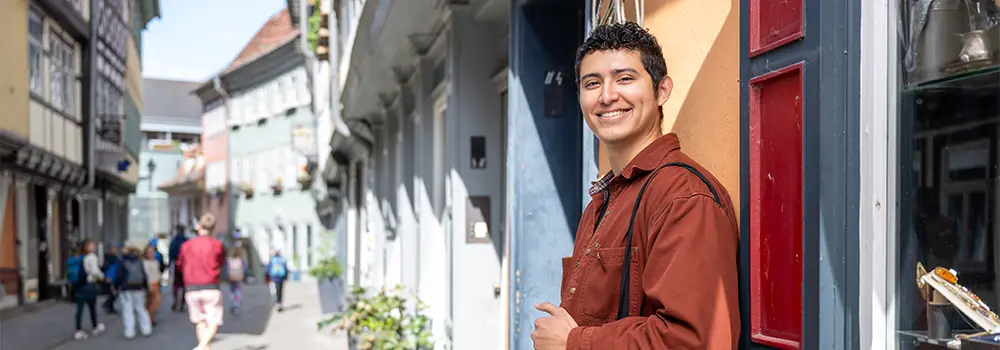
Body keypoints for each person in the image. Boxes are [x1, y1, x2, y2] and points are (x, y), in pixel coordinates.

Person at [530, 22, 739, 349]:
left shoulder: (682, 197)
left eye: (625, 79)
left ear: (662, 90)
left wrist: (574, 342)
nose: (607, 95)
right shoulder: (607, 197)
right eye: (592, 83)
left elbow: (693, 341)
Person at [176, 214, 226, 350]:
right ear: (213, 228)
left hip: (191, 287)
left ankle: (204, 347)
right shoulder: (217, 245)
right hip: (211, 286)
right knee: (214, 320)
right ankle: (202, 346)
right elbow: (221, 262)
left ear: (199, 226)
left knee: (200, 321)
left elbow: (179, 264)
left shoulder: (187, 245)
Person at [70, 239, 107, 340]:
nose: (94, 246)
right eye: (92, 245)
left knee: (79, 309)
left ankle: (78, 330)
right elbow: (95, 271)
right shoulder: (92, 257)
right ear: (87, 247)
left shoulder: (79, 257)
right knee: (92, 307)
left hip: (79, 285)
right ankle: (95, 326)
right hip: (90, 285)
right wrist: (103, 277)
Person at [115, 246, 153, 339]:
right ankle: (146, 329)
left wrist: (116, 286)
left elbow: (118, 276)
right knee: (141, 308)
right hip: (139, 288)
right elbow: (144, 276)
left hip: (126, 289)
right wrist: (146, 287)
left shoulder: (123, 261)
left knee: (128, 310)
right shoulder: (139, 261)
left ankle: (129, 332)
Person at [169, 225, 189, 311]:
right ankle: (182, 304)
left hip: (176, 264)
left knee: (176, 285)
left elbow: (170, 254)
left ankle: (175, 302)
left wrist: (170, 264)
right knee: (184, 285)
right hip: (185, 265)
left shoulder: (174, 241)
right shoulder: (187, 241)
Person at [225, 243, 249, 314]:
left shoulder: (229, 260)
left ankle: (234, 302)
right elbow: (245, 270)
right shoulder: (241, 260)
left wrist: (226, 277)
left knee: (232, 291)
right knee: (238, 291)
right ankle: (236, 304)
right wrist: (245, 277)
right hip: (239, 277)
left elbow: (226, 270)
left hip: (231, 277)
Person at [143, 245, 163, 325]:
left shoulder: (155, 262)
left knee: (154, 303)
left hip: (156, 284)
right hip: (150, 284)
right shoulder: (145, 263)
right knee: (152, 302)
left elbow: (157, 273)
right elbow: (146, 275)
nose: (151, 253)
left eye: (153, 252)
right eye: (150, 252)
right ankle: (149, 320)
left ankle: (151, 319)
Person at [102, 243, 122, 314]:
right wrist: (108, 277)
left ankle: (109, 305)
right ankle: (108, 305)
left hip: (115, 278)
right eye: (113, 248)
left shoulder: (115, 257)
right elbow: (107, 269)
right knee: (113, 293)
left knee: (114, 294)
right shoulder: (109, 258)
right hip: (111, 278)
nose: (114, 250)